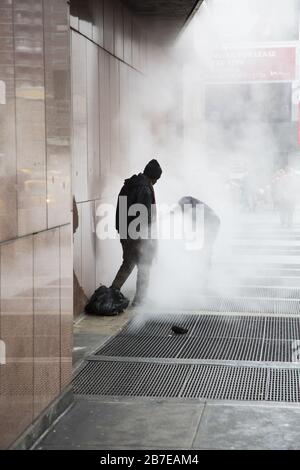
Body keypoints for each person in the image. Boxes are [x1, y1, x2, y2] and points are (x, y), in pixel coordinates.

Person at [111, 159, 162, 306]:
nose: (156, 182)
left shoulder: (129, 184)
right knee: (144, 264)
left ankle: (113, 291)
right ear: (152, 177)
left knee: (128, 263)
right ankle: (140, 300)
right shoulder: (144, 189)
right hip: (136, 235)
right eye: (156, 179)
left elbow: (120, 210)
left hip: (125, 232)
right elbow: (144, 218)